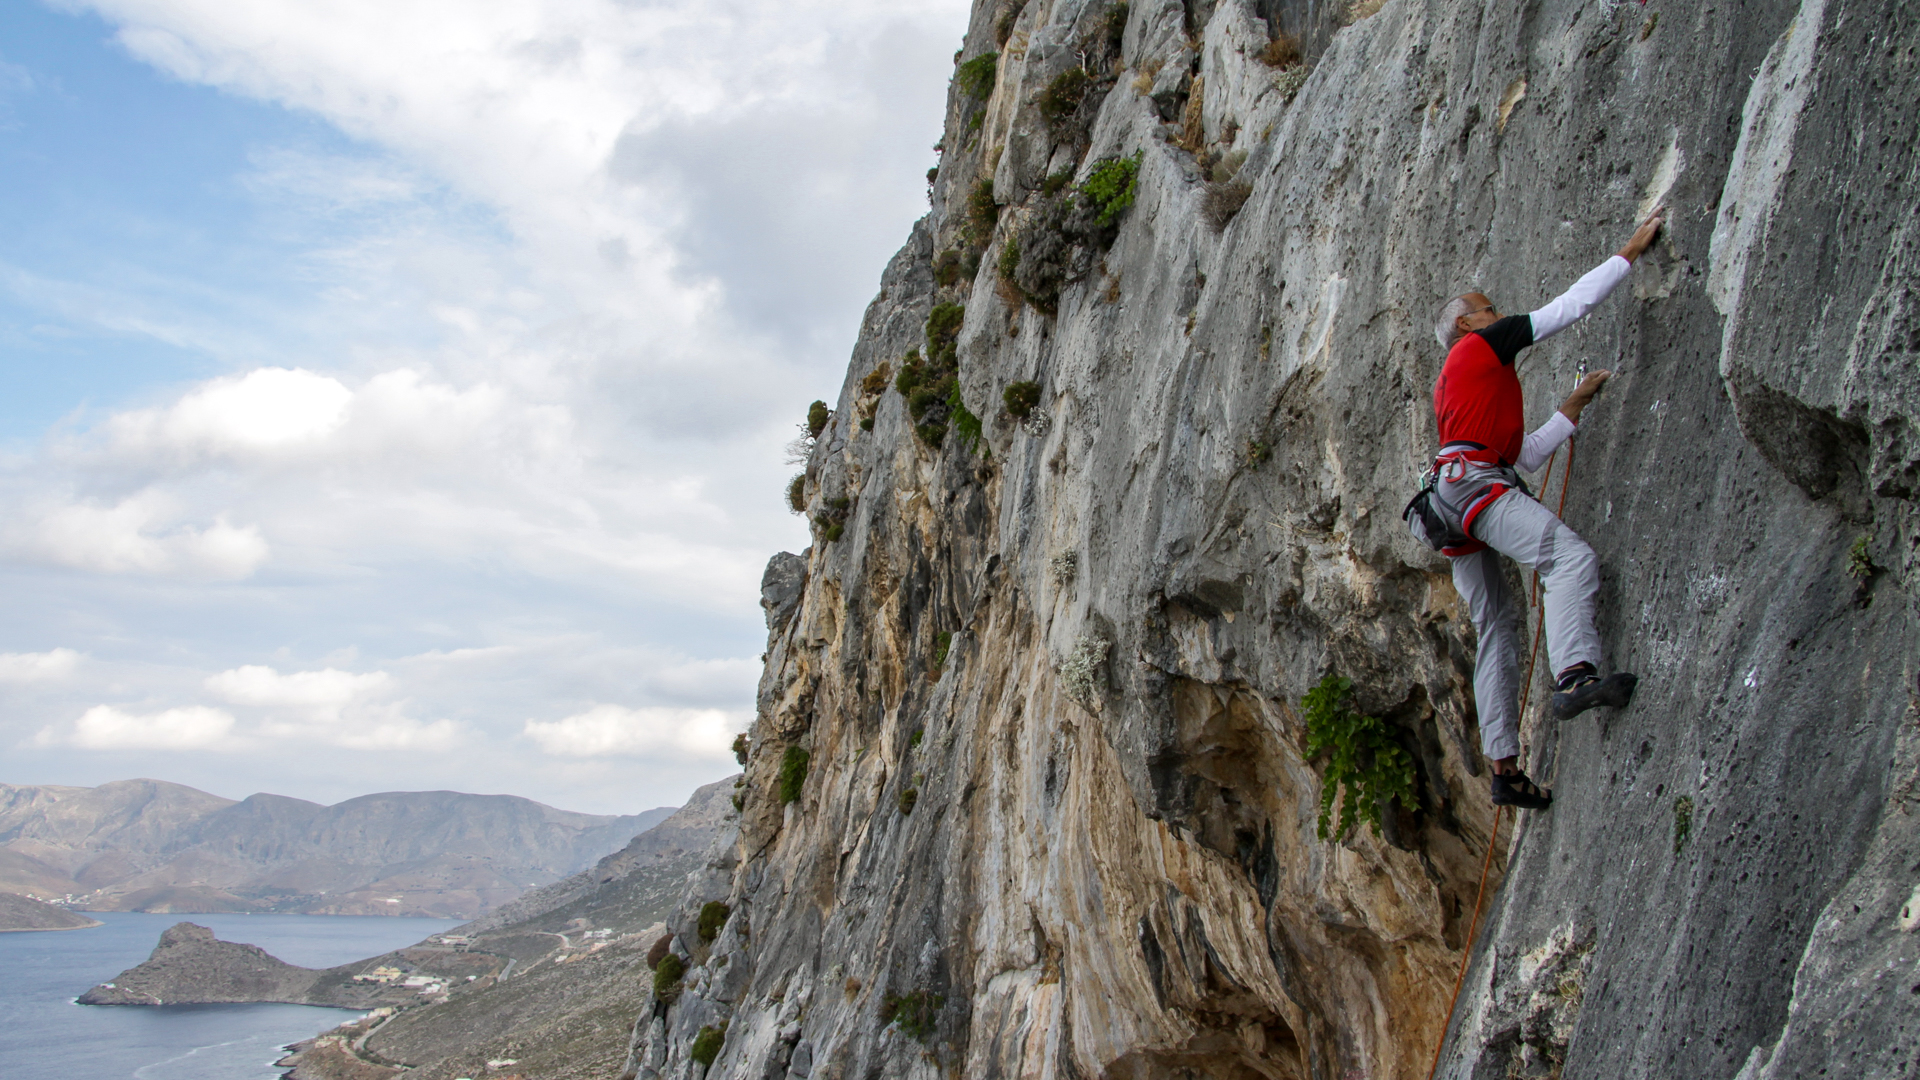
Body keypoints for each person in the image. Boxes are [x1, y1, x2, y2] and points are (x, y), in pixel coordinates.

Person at [1430, 209, 1665, 810]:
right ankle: (1576, 677)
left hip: (1452, 497)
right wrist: (1627, 253)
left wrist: (1573, 405)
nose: (1498, 312)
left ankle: (1504, 770)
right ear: (1465, 324)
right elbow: (1567, 308)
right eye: (1488, 308)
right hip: (1474, 488)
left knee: (1497, 624)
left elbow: (1525, 456)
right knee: (1567, 558)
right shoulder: (1480, 345)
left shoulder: (1464, 382)